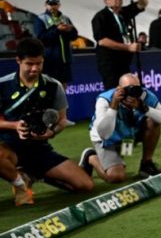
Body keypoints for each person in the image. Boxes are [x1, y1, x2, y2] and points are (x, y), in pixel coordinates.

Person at [0, 38, 93, 206]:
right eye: (29, 64)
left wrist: (52, 132)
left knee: (85, 186)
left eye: (39, 63)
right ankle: (20, 184)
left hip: (39, 149)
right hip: (10, 147)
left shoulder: (53, 86)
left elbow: (63, 120)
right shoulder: (3, 85)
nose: (35, 68)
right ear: (18, 60)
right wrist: (15, 126)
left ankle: (35, 174)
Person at [80, 73, 161, 182]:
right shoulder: (105, 99)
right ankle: (90, 157)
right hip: (107, 139)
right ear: (119, 89)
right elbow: (104, 134)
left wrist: (144, 108)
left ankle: (146, 164)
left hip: (128, 137)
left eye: (137, 89)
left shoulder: (144, 95)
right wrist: (113, 106)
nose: (133, 93)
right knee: (116, 177)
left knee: (154, 120)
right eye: (129, 89)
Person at [92, 0, 148, 89]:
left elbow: (143, 3)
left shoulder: (124, 12)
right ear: (106, 0)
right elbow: (102, 41)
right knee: (115, 91)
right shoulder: (100, 17)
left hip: (124, 61)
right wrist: (127, 47)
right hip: (109, 62)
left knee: (128, 89)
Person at [33, 0, 78, 87]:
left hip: (64, 59)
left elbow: (74, 36)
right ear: (46, 5)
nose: (53, 6)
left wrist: (69, 30)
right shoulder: (41, 19)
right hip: (50, 60)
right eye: (50, 4)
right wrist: (57, 30)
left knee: (63, 85)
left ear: (59, 5)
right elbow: (41, 38)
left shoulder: (65, 18)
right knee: (49, 85)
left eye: (55, 4)